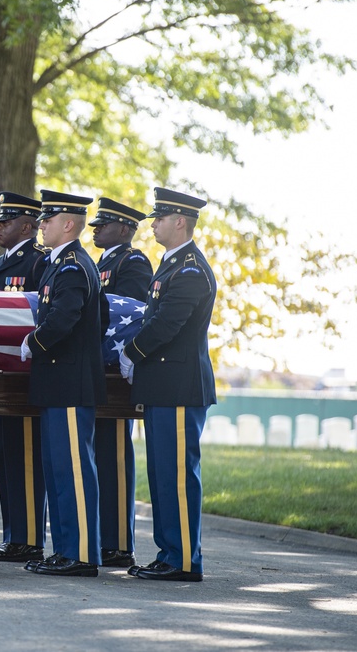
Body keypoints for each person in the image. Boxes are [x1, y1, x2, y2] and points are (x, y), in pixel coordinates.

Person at [119, 187, 217, 582]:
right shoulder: (171, 264)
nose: (153, 223)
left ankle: (183, 560)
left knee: (177, 476)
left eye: (159, 217)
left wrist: (131, 352)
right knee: (162, 476)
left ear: (180, 221)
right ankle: (169, 553)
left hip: (179, 387)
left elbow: (167, 324)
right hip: (164, 387)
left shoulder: (191, 269)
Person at [21, 190, 106, 577]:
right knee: (58, 470)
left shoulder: (73, 266)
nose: (41, 226)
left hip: (70, 383)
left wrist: (32, 342)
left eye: (47, 220)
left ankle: (82, 553)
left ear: (68, 224)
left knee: (73, 470)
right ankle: (66, 549)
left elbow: (64, 318)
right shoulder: (60, 265)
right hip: (59, 382)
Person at [0, 191, 49, 564]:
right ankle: (14, 536)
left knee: (24, 457)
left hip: (23, 376)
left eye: (5, 222)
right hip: (0, 376)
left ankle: (28, 538)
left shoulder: (37, 264)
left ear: (27, 226)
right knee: (6, 457)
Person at [88, 197, 154, 569]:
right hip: (98, 370)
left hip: (115, 375)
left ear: (125, 229)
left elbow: (131, 312)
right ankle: (103, 538)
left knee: (112, 458)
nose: (95, 229)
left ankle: (117, 543)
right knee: (99, 457)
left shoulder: (132, 262)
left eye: (104, 224)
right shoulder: (100, 262)